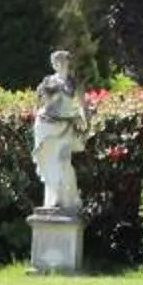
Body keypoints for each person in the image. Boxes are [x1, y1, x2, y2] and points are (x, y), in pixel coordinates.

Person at [32, 50, 87, 215]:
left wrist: (85, 123)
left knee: (63, 161)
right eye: (56, 62)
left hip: (66, 127)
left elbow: (83, 105)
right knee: (51, 162)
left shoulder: (74, 82)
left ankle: (69, 198)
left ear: (68, 63)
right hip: (48, 126)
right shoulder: (48, 81)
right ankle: (54, 198)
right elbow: (39, 102)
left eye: (62, 61)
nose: (59, 65)